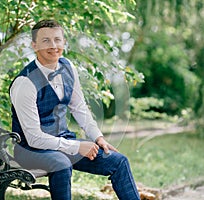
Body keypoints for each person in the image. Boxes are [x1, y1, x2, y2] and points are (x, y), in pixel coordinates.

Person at [9, 19, 140, 200]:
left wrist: (98, 137)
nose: (53, 45)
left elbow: (79, 108)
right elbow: (34, 138)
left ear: (64, 42)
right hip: (29, 150)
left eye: (57, 39)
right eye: (46, 40)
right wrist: (77, 146)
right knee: (61, 163)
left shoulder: (68, 67)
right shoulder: (24, 83)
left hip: (62, 142)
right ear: (34, 45)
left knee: (119, 162)